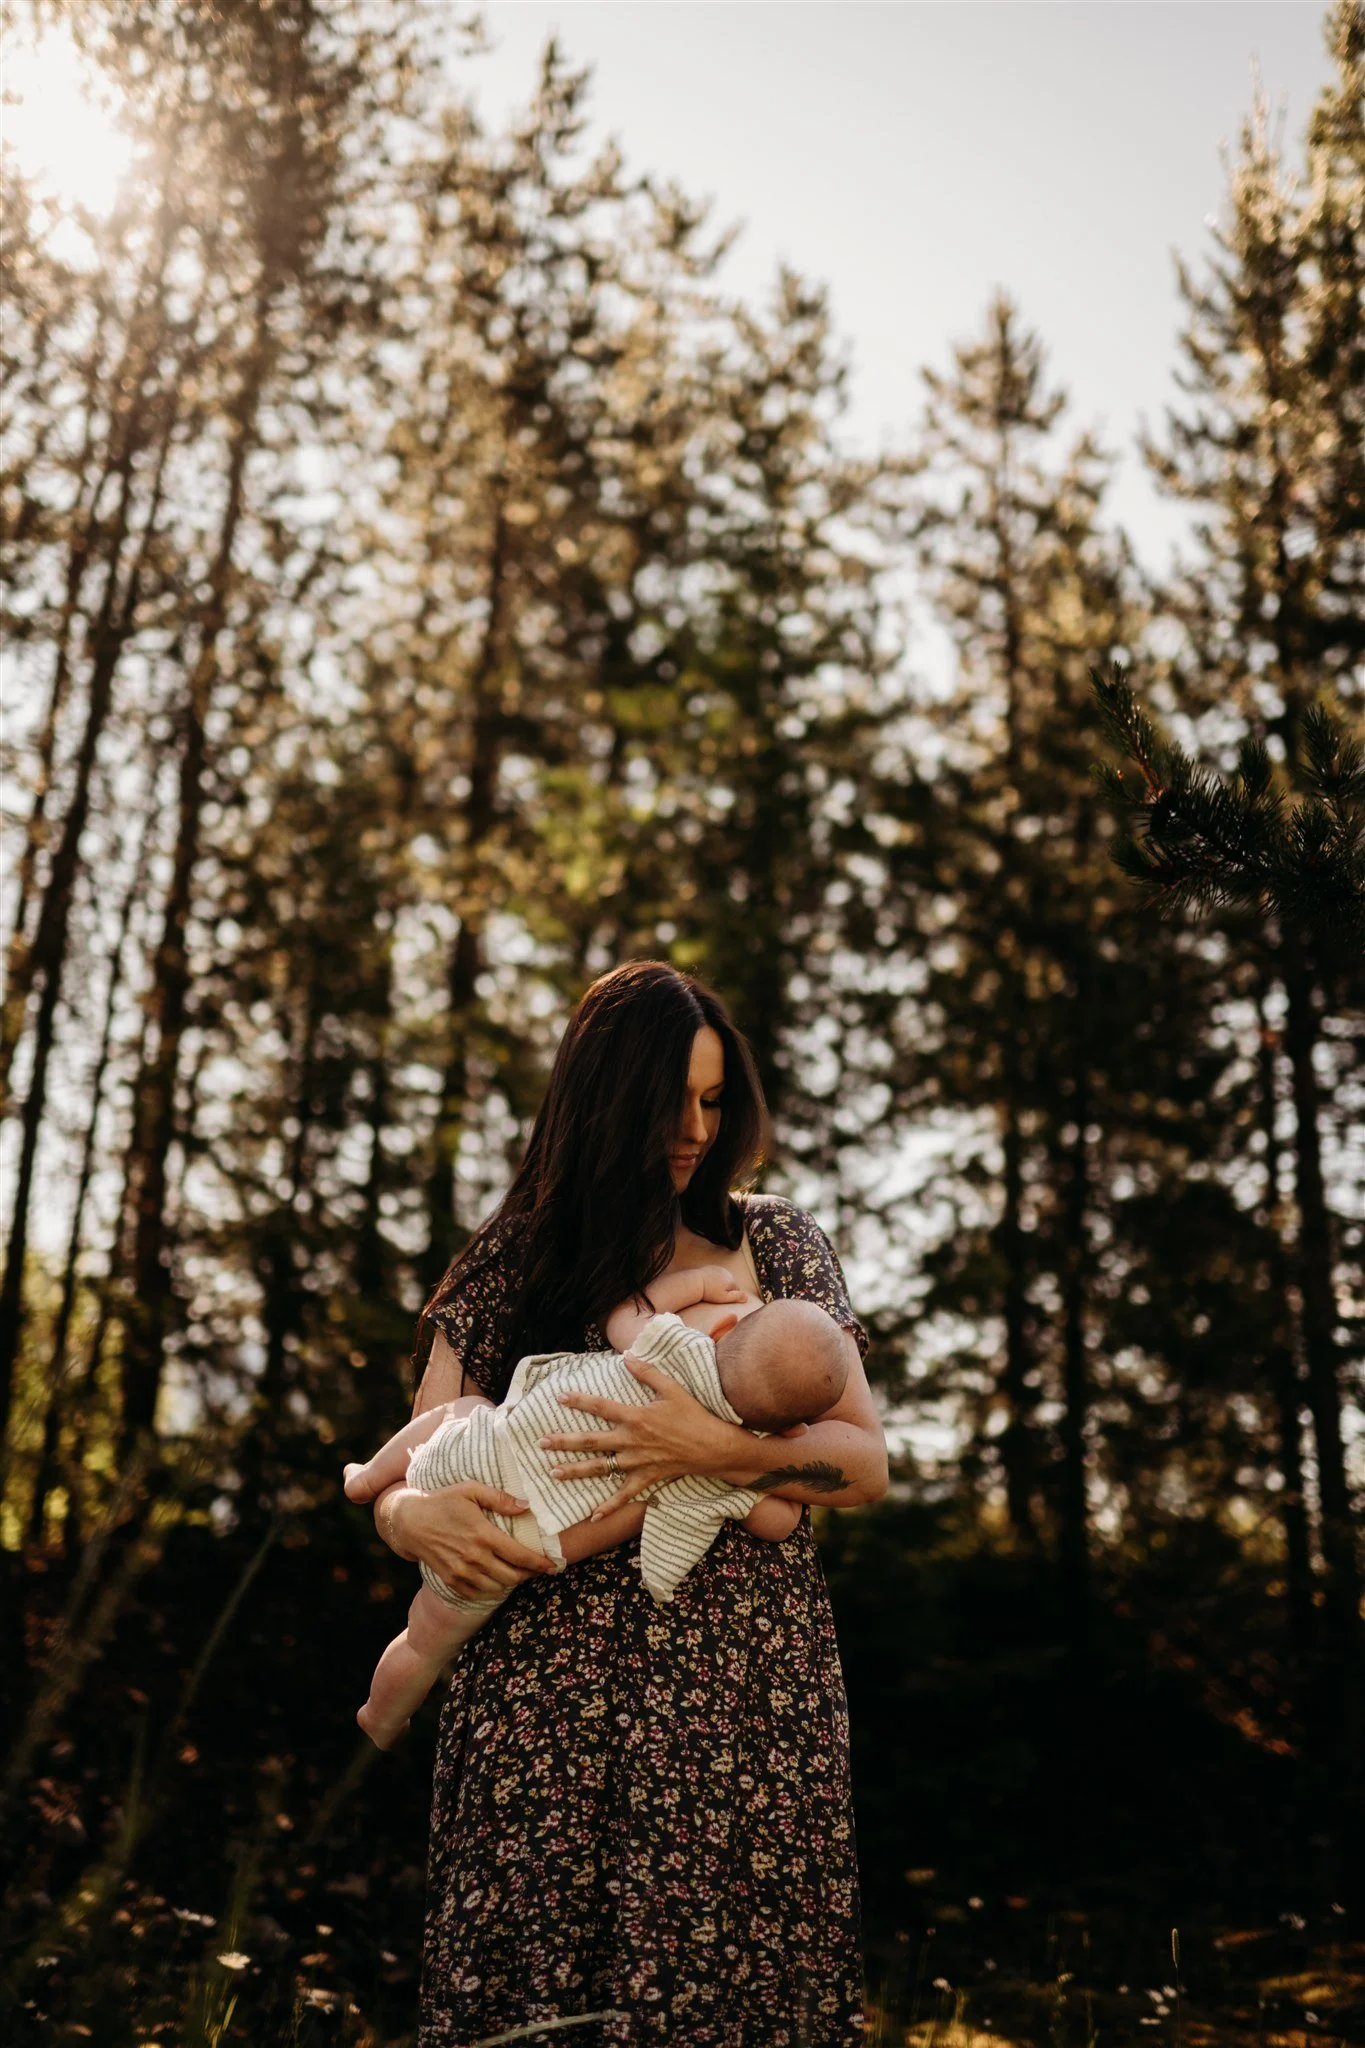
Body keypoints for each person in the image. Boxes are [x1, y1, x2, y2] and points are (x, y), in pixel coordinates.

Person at [364, 960, 887, 2047]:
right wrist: (403, 1517)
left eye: (712, 1098)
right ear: (604, 1095)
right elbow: (425, 1453)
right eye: (671, 1099)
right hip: (535, 1711)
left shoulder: (773, 1239)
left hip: (743, 1709)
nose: (695, 1128)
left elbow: (865, 1464)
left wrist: (715, 1447)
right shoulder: (512, 1262)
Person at [346, 1283, 848, 1747]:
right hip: (521, 1542)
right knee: (423, 1643)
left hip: (481, 1455)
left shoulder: (672, 1347)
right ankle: (382, 1717)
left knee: (456, 1412)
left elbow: (622, 1316)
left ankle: (368, 1477)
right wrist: (757, 1463)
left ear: (724, 1331)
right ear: (794, 1429)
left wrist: (700, 1287)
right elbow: (776, 1523)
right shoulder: (718, 1473)